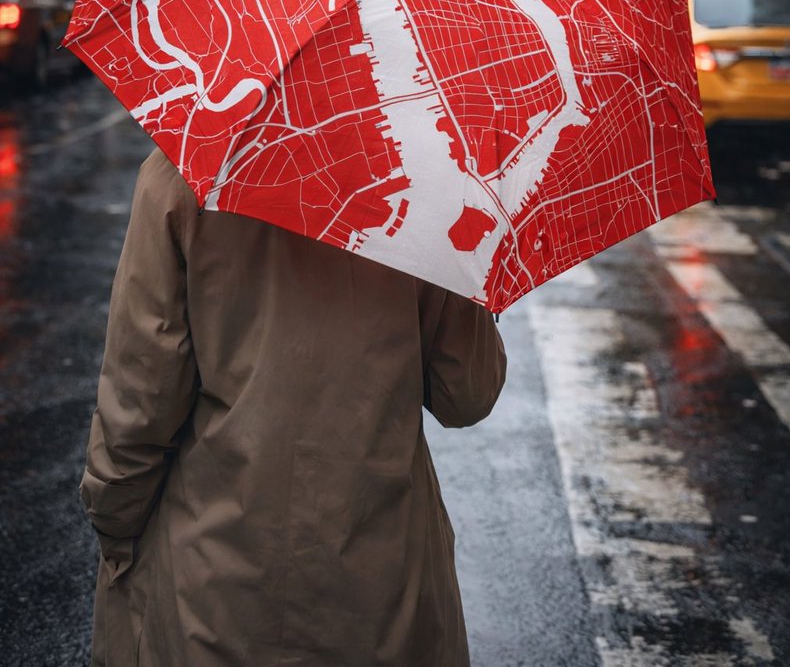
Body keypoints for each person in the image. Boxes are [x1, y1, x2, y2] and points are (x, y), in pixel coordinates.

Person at [81, 148, 507, 667]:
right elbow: (468, 393)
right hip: (384, 580)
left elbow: (140, 395)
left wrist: (115, 521)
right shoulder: (434, 180)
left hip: (215, 575)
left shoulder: (184, 172)